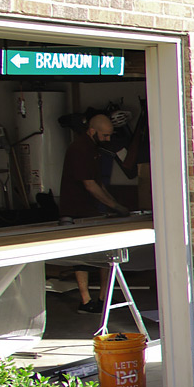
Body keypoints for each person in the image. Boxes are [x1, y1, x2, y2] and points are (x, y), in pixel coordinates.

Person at [59, 114, 131, 313]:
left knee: (105, 254)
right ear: (92, 131)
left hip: (92, 209)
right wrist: (116, 207)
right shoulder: (80, 149)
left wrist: (113, 204)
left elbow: (98, 183)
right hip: (76, 210)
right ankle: (86, 300)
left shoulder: (93, 149)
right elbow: (90, 185)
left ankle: (103, 299)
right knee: (82, 257)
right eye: (105, 135)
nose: (108, 139)